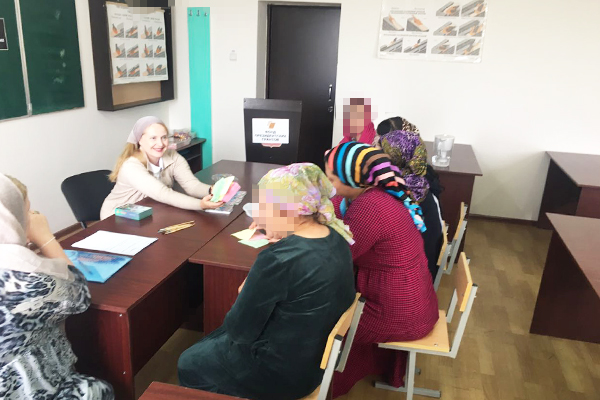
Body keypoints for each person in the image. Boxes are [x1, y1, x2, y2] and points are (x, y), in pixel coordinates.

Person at [178, 164, 356, 400]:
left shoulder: (277, 260)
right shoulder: (336, 237)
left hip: (280, 374)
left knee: (188, 362)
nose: (259, 215)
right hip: (313, 363)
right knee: (212, 342)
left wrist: (246, 290)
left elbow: (240, 331)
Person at [323, 143, 439, 398]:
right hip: (414, 303)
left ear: (353, 179)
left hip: (399, 312)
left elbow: (338, 257)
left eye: (331, 179)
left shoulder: (369, 208)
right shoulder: (381, 192)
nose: (328, 185)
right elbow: (337, 200)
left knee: (323, 320)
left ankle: (322, 386)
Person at [0, 174, 114, 400]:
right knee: (98, 389)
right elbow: (79, 295)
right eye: (27, 211)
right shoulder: (27, 283)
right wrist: (46, 238)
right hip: (29, 389)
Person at [100, 116, 222, 219]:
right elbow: (163, 194)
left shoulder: (172, 156)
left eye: (164, 137)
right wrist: (201, 205)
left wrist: (211, 190)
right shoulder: (131, 166)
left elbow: (191, 185)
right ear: (140, 140)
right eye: (153, 138)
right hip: (117, 217)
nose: (160, 144)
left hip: (148, 212)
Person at [374, 121, 444, 281]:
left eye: (379, 153)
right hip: (419, 265)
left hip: (412, 275)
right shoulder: (416, 182)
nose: (375, 158)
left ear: (395, 158)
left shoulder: (403, 190)